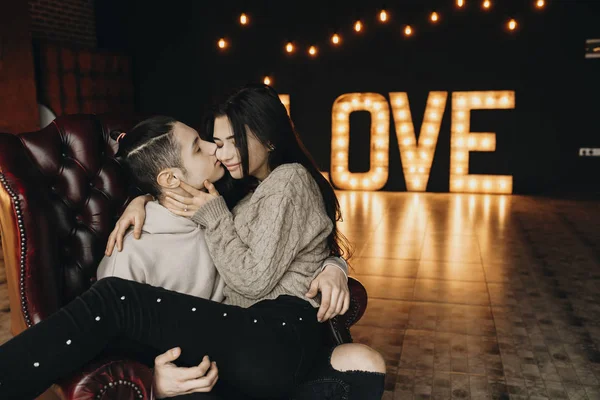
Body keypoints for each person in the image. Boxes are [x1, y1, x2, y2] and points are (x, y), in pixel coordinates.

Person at [109, 84, 386, 399]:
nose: (221, 152)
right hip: (234, 349)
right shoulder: (226, 195)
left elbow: (263, 267)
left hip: (266, 339)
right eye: (213, 143)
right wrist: (143, 198)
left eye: (234, 142)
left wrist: (334, 266)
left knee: (363, 363)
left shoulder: (263, 191)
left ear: (268, 139)